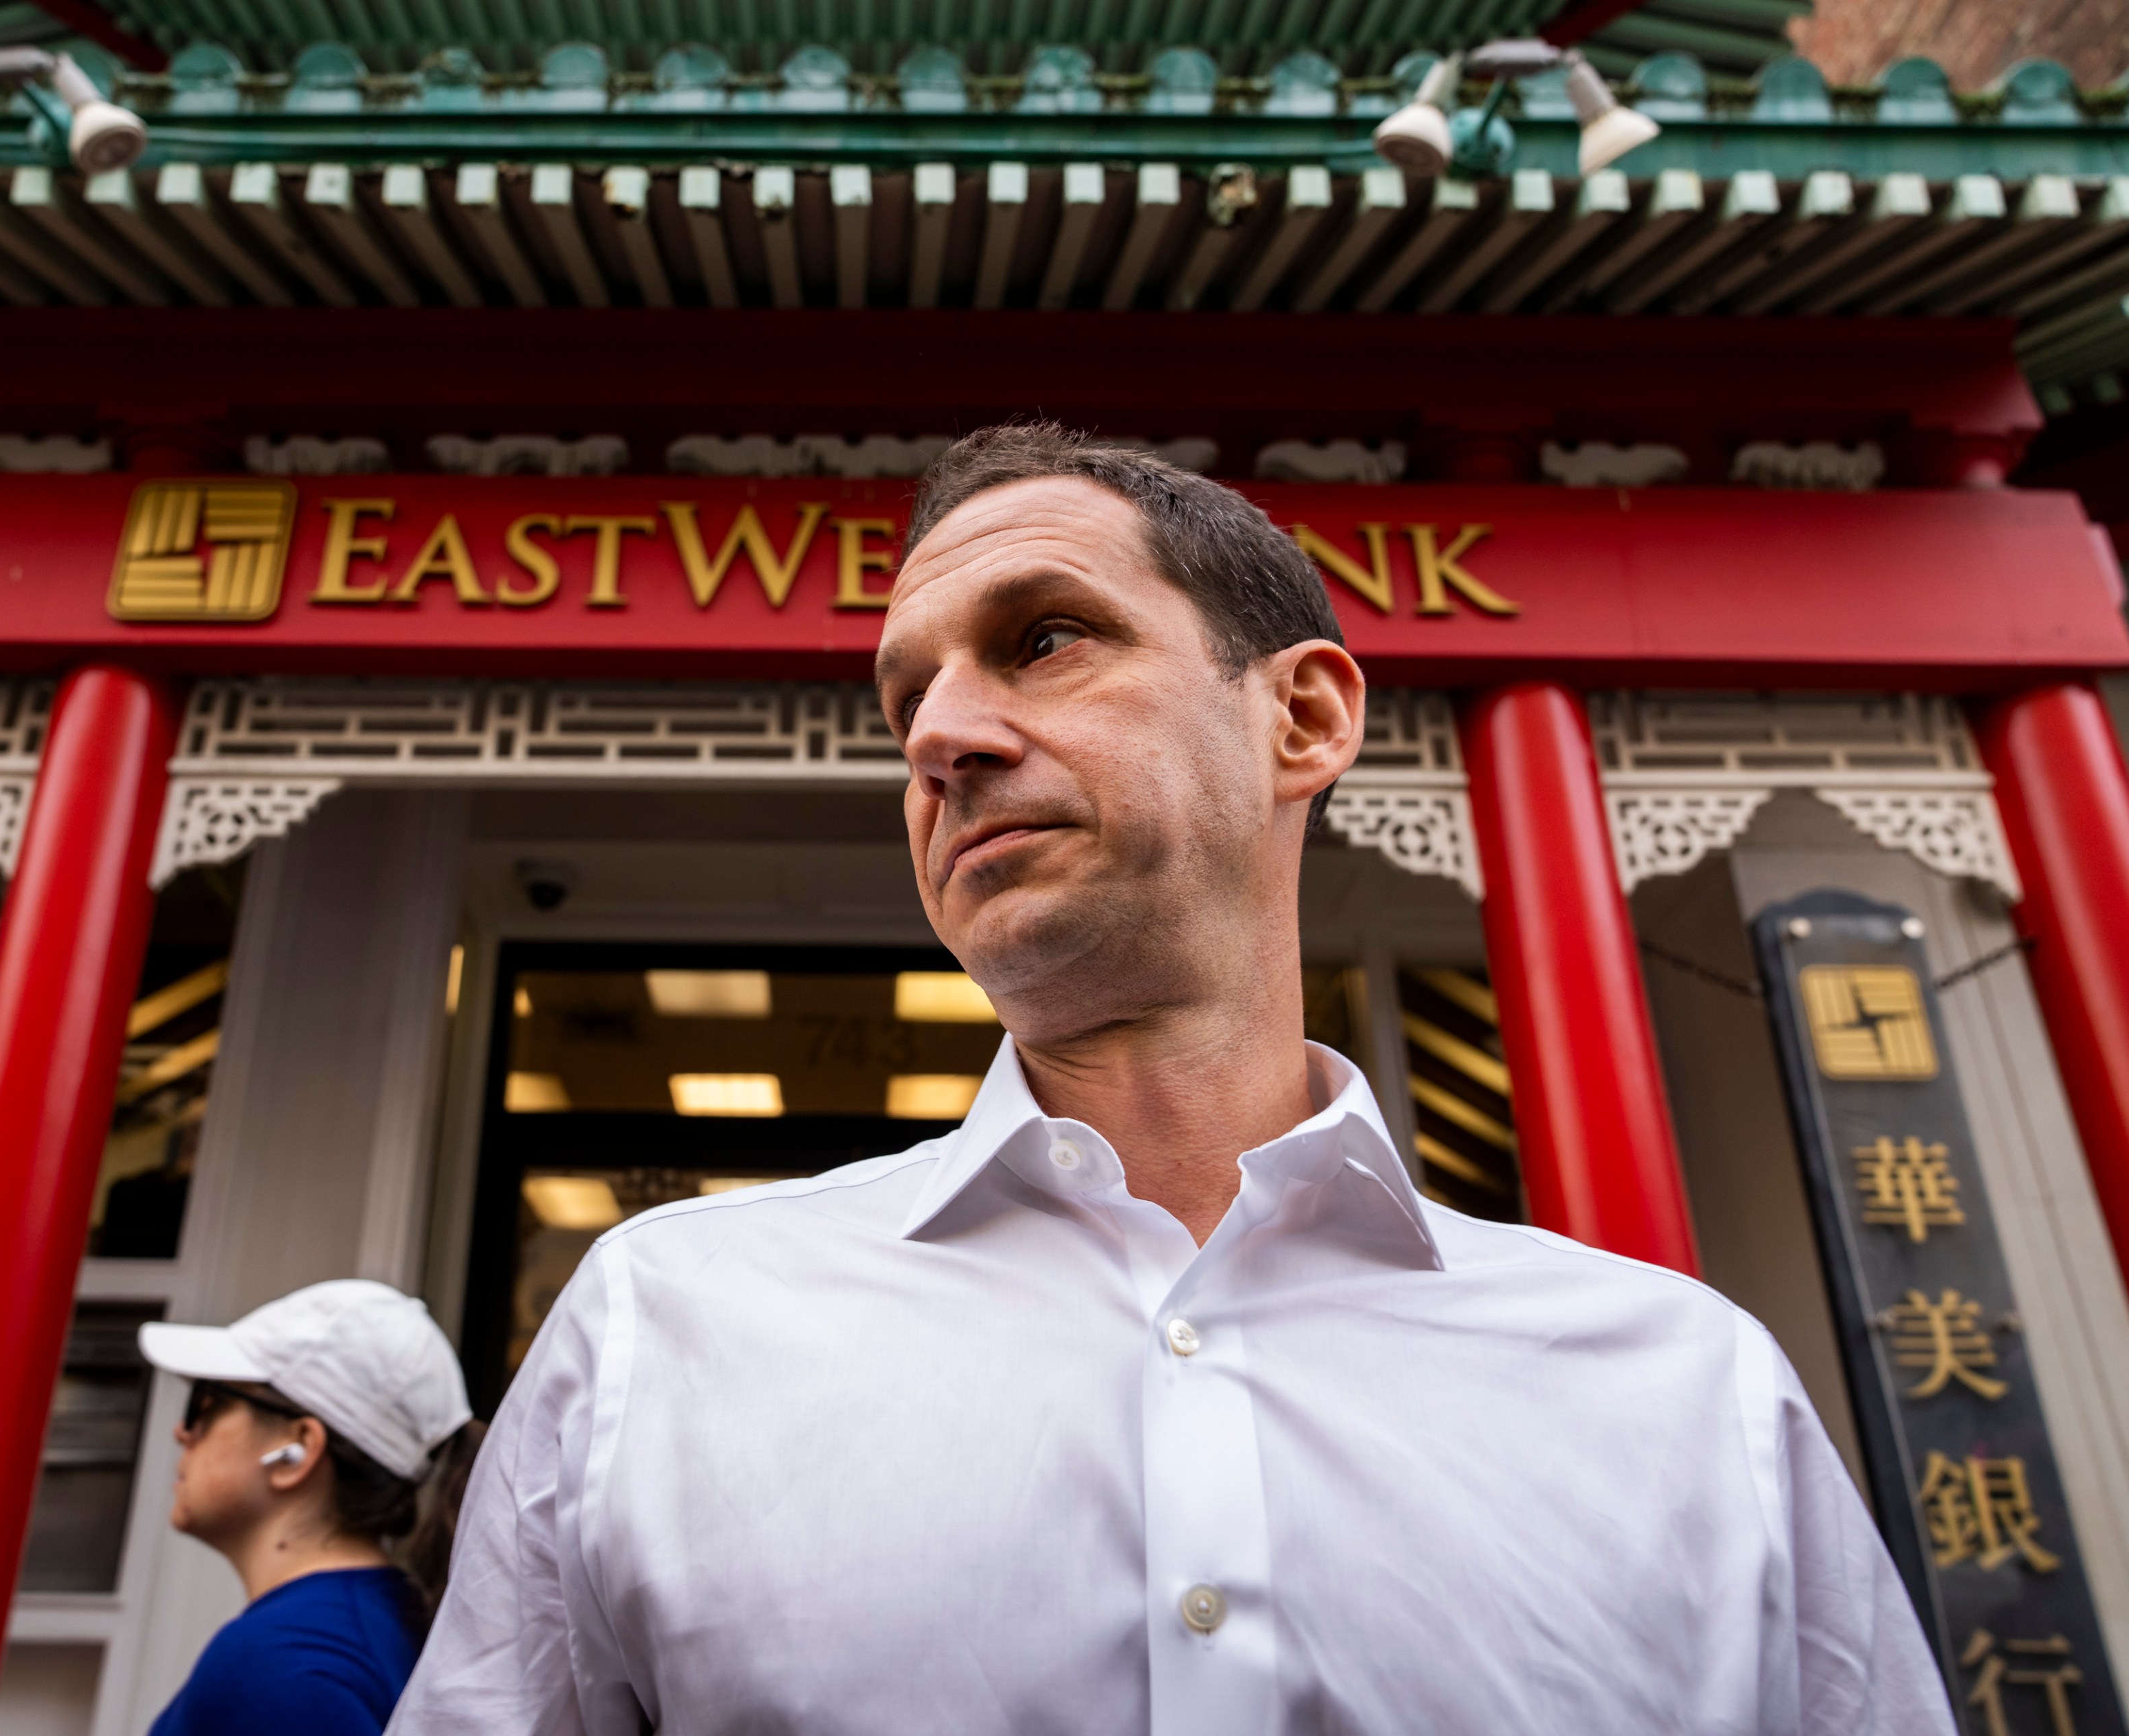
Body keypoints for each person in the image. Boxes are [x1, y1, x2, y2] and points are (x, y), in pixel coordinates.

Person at [393, 424, 1954, 1735]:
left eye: (1043, 637)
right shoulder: (663, 1325)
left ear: (1306, 713)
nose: (938, 735)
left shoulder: (1684, 1390)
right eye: (902, 700)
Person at [138, 1280, 481, 1736]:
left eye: (208, 1402)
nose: (184, 1432)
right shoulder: (378, 1623)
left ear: (297, 1448)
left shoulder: (282, 1664)